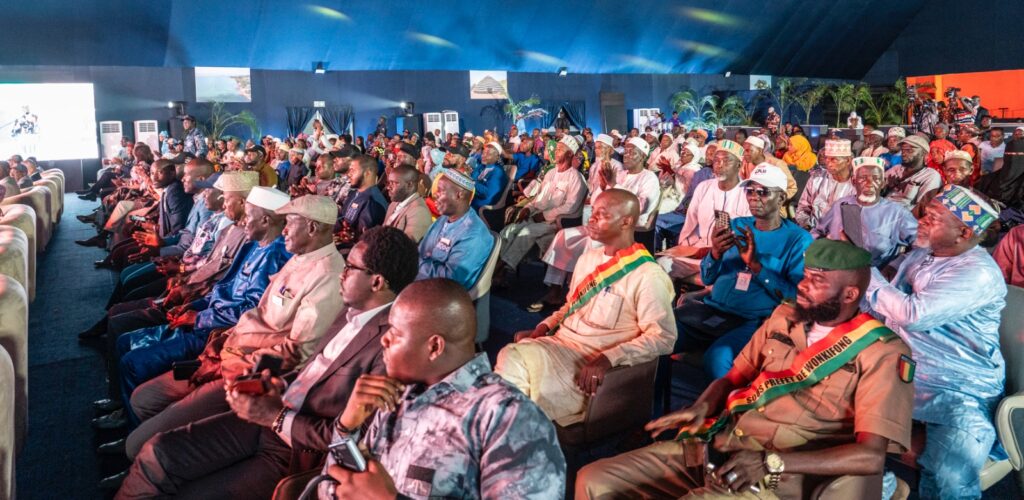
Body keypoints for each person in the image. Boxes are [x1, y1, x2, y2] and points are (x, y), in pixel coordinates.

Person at [577, 239, 913, 500]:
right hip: (721, 446)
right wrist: (701, 407)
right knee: (593, 480)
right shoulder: (785, 316)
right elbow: (733, 377)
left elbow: (870, 457)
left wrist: (771, 463)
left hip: (778, 476)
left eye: (818, 280)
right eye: (806, 275)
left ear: (849, 294)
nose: (802, 284)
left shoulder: (881, 353)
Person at [115, 227, 419, 499]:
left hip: (295, 449)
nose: (343, 272)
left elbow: (352, 439)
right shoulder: (349, 312)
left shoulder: (389, 347)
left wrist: (277, 416)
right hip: (270, 411)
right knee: (157, 452)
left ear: (377, 282)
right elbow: (312, 372)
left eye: (350, 267)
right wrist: (272, 380)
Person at [115, 196, 348, 476]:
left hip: (246, 374)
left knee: (140, 439)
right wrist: (221, 339)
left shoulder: (327, 276)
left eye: (289, 223)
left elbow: (297, 353)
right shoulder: (299, 259)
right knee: (142, 399)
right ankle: (142, 467)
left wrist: (225, 364)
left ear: (312, 228)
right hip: (226, 350)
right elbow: (256, 316)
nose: (284, 229)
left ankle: (142, 469)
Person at [313, 278, 566, 499]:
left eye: (395, 333)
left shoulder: (508, 418)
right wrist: (346, 428)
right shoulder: (396, 397)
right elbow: (329, 489)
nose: (384, 339)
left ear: (434, 347)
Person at [865, 185, 1006, 499]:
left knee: (949, 474)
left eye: (933, 218)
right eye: (924, 214)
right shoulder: (922, 255)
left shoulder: (978, 272)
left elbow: (911, 314)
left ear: (964, 232)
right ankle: (882, 487)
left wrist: (865, 270)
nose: (921, 221)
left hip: (959, 385)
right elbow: (883, 305)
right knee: (822, 411)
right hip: (903, 373)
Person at [112, 186, 292, 428]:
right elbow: (223, 288)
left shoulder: (277, 256)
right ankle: (124, 411)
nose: (243, 221)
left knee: (132, 362)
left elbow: (252, 311)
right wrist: (194, 306)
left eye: (248, 216)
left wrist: (199, 318)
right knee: (124, 341)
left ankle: (131, 429)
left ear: (266, 220)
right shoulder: (253, 245)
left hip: (216, 332)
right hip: (205, 318)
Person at [495, 189, 675, 424]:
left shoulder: (647, 275)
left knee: (510, 385)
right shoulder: (588, 259)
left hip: (588, 366)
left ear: (626, 222)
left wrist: (608, 358)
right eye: (593, 211)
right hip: (560, 345)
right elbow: (570, 307)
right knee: (510, 362)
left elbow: (663, 338)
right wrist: (544, 326)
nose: (591, 218)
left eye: (603, 214)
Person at [673, 165, 813, 379]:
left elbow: (795, 298)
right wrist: (715, 253)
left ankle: (727, 401)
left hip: (753, 320)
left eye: (763, 192)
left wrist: (757, 266)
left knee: (718, 359)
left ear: (781, 198)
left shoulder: (797, 240)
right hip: (711, 310)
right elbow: (708, 277)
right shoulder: (737, 226)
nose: (754, 197)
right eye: (750, 191)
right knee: (659, 336)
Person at [533, 137, 659, 310]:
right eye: (626, 150)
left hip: (626, 230)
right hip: (604, 225)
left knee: (590, 244)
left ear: (643, 156)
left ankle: (583, 295)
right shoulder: (620, 175)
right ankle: (555, 290)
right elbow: (598, 201)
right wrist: (603, 186)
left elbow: (640, 207)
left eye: (633, 152)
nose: (627, 154)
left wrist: (613, 185)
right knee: (563, 236)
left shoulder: (649, 178)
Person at [493, 137, 585, 282]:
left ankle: (497, 270)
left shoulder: (576, 178)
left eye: (560, 149)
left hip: (554, 222)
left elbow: (570, 207)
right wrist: (528, 209)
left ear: (569, 154)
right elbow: (539, 198)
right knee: (508, 231)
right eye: (556, 148)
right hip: (536, 215)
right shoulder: (550, 173)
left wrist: (545, 216)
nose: (555, 152)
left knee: (525, 233)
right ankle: (500, 274)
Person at [657, 141, 751, 281]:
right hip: (698, 252)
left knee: (732, 279)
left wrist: (715, 252)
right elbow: (691, 225)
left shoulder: (748, 194)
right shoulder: (703, 187)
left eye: (726, 161)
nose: (719, 165)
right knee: (660, 266)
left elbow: (747, 239)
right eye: (716, 160)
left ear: (739, 164)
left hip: (730, 257)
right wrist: (686, 248)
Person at [813, 157, 917, 269]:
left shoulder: (897, 213)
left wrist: (896, 265)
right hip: (835, 270)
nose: (869, 183)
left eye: (876, 178)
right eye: (863, 178)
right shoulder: (841, 204)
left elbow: (921, 246)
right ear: (854, 181)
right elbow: (818, 231)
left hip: (872, 275)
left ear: (883, 183)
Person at [417, 168, 493, 289]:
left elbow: (450, 280)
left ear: (459, 194)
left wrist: (414, 264)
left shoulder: (474, 234)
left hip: (439, 293)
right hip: (420, 281)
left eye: (440, 190)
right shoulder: (444, 218)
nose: (435, 194)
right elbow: (422, 250)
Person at [795, 139, 856, 230]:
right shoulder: (816, 178)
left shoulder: (858, 183)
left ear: (848, 161)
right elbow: (802, 208)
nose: (828, 163)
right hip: (814, 231)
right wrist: (807, 226)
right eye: (826, 158)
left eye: (834, 159)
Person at [336, 155, 387, 248]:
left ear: (367, 173)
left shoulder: (373, 203)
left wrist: (349, 235)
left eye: (353, 170)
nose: (349, 174)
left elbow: (364, 241)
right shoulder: (354, 193)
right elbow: (343, 219)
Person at [883, 135, 942, 209]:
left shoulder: (930, 176)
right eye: (903, 150)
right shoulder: (896, 169)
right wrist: (884, 187)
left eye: (909, 150)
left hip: (900, 214)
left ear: (924, 154)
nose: (903, 153)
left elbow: (921, 208)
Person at [383, 164, 432, 243]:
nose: (388, 187)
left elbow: (406, 246)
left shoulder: (419, 211)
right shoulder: (394, 203)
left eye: (394, 183)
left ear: (409, 185)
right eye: (389, 182)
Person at [470, 141, 510, 210]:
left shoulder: (498, 172)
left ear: (497, 157)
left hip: (479, 207)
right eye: (483, 153)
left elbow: (487, 194)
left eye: (488, 154)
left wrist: (473, 182)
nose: (483, 156)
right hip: (469, 199)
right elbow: (471, 178)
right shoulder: (482, 166)